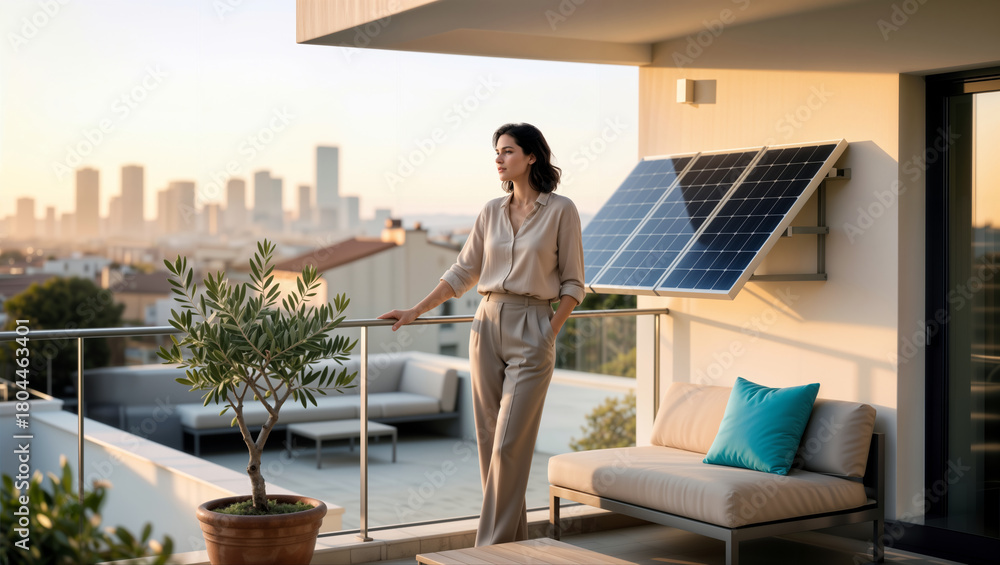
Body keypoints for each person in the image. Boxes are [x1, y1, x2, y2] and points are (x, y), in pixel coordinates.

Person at [378, 122, 585, 546]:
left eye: (507, 151)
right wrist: (417, 309)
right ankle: (513, 547)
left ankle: (485, 552)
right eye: (496, 152)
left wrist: (549, 330)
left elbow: (573, 284)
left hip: (534, 325)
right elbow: (463, 272)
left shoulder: (561, 210)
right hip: (486, 323)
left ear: (531, 157)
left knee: (509, 446)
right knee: (491, 447)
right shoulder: (490, 211)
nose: (498, 158)